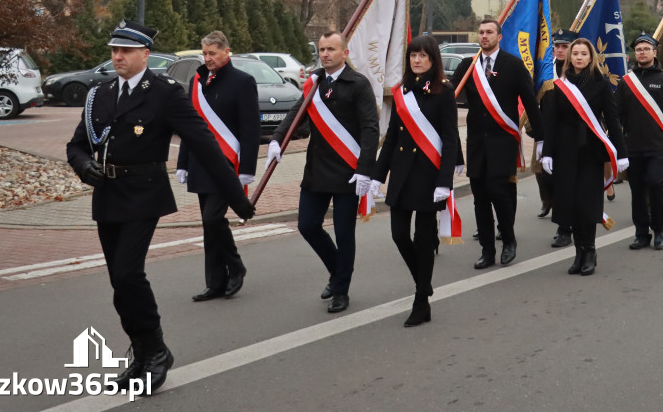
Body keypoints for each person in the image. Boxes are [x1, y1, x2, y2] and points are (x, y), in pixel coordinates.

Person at [67, 20, 255, 394]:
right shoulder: (100, 94)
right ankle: (142, 351)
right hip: (106, 194)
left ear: (145, 55)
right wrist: (84, 167)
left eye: (126, 51)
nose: (117, 57)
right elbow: (76, 145)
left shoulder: (165, 93)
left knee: (127, 273)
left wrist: (238, 198)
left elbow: (203, 142)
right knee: (118, 281)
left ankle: (156, 351)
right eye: (114, 51)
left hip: (144, 192)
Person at [267, 31, 379, 314]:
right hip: (317, 169)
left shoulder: (358, 84)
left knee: (344, 233)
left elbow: (370, 128)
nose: (325, 54)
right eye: (322, 49)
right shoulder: (314, 83)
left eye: (331, 49)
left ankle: (341, 290)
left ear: (345, 53)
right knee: (307, 225)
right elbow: (296, 113)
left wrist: (365, 169)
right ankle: (337, 271)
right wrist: (277, 139)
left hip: (347, 172)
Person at [371, 36, 459, 327]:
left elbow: (449, 139)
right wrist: (376, 176)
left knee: (423, 239)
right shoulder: (401, 92)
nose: (417, 60)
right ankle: (424, 283)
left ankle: (421, 300)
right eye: (413, 55)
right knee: (398, 235)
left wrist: (445, 181)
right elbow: (393, 136)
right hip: (401, 175)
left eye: (422, 55)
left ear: (433, 59)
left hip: (428, 176)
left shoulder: (444, 92)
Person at [452, 17, 544, 270]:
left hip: (503, 141)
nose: (484, 36)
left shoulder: (513, 65)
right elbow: (450, 94)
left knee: (500, 194)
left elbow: (530, 101)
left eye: (489, 32)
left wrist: (541, 137)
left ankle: (509, 241)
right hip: (477, 143)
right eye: (481, 32)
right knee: (480, 198)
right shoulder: (468, 66)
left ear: (499, 37)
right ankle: (487, 250)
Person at [176, 31, 259, 302]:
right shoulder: (197, 81)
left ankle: (236, 266)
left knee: (214, 219)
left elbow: (250, 129)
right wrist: (183, 162)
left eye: (212, 53)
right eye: (205, 53)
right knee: (208, 225)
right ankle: (215, 282)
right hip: (201, 164)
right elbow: (192, 126)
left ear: (226, 52)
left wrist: (247, 167)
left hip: (228, 164)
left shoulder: (243, 82)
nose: (207, 58)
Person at [541, 39, 627, 274]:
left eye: (583, 54)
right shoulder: (560, 85)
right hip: (565, 151)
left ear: (591, 58)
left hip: (590, 150)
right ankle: (578, 253)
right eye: (575, 53)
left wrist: (621, 153)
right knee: (569, 203)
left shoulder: (601, 85)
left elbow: (612, 120)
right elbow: (552, 122)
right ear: (570, 58)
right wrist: (547, 152)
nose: (579, 57)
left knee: (587, 204)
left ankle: (589, 251)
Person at [614, 33, 663, 250]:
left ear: (654, 52)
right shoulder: (626, 82)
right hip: (633, 147)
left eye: (646, 48)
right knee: (637, 192)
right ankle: (641, 233)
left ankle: (659, 230)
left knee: (655, 186)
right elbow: (617, 115)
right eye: (639, 49)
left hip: (658, 147)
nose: (642, 52)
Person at [534, 28, 575, 248]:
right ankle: (559, 218)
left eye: (564, 46)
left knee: (566, 184)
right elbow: (535, 103)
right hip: (547, 135)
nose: (559, 50)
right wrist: (536, 133)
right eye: (557, 46)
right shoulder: (546, 71)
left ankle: (565, 229)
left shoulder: (578, 72)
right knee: (548, 179)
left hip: (571, 138)